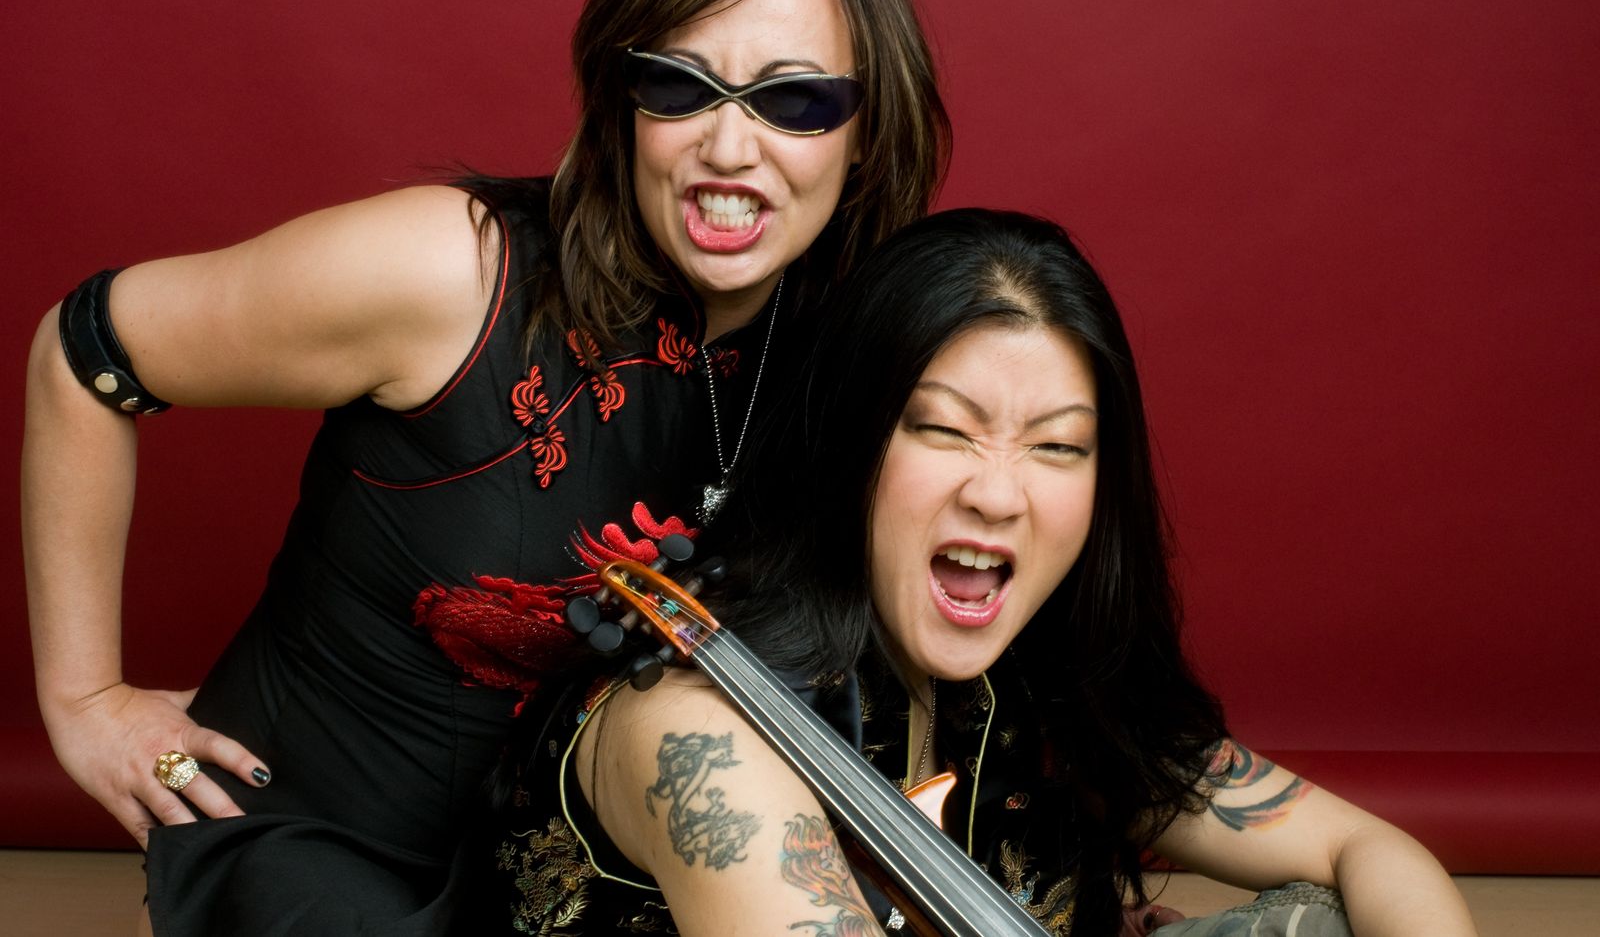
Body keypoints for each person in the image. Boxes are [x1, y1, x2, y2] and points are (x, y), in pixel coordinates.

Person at [20, 0, 948, 933]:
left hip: (572, 878)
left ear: (865, 131)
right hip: (307, 848)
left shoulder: (853, 353)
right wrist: (85, 700)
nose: (729, 148)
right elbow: (81, 350)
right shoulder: (450, 273)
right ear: (622, 101)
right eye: (678, 85)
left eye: (794, 100)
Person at [503, 209, 1480, 936]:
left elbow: (1373, 851)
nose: (999, 494)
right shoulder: (696, 731)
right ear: (848, 447)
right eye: (942, 429)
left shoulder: (1050, 682)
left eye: (1057, 446)